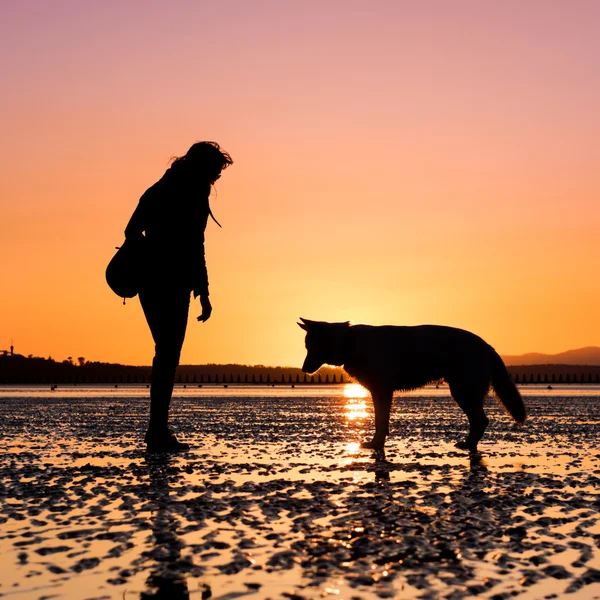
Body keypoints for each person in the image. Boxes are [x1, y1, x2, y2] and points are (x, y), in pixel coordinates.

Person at [124, 141, 233, 452]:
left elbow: (131, 231)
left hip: (148, 280)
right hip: (172, 282)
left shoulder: (158, 187)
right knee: (168, 355)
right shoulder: (193, 194)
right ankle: (157, 431)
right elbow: (194, 247)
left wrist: (150, 254)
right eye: (215, 171)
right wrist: (204, 291)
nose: (216, 178)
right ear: (201, 167)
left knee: (164, 353)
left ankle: (156, 429)